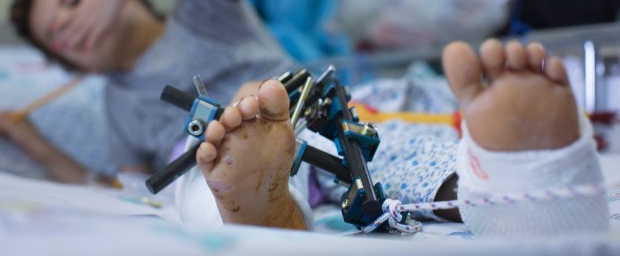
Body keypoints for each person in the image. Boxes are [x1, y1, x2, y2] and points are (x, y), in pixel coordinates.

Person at [0, 0, 295, 183]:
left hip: (305, 128)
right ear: (82, 67)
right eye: (56, 37)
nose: (69, 24)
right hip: (229, 187)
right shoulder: (119, 109)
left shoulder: (202, 13)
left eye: (73, 0)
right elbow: (129, 194)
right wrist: (35, 145)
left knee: (253, 96)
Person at [185, 38, 609, 237]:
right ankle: (262, 207)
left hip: (374, 116)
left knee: (394, 156)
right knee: (236, 128)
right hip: (288, 136)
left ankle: (516, 175)